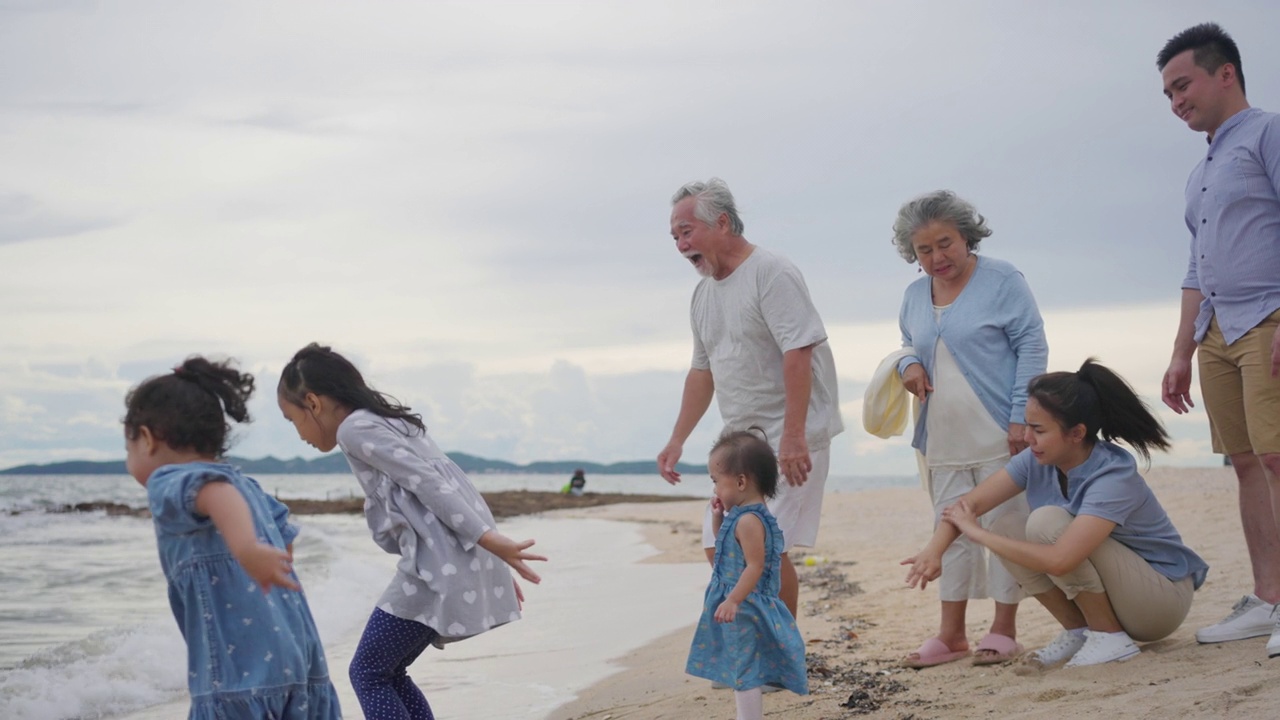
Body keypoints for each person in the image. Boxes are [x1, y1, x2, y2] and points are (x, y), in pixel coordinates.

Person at [278, 343, 546, 720]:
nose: (299, 433)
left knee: (368, 673)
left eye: (292, 419)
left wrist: (487, 543)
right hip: (449, 561)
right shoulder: (389, 421)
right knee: (387, 672)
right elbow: (451, 482)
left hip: (434, 568)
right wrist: (485, 553)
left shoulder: (355, 429)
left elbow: (429, 483)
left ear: (313, 403)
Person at [904, 360, 1210, 668]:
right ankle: (1080, 630)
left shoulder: (1112, 476)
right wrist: (934, 550)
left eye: (1038, 430)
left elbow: (1060, 560)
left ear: (1077, 433)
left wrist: (978, 534)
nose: (1027, 438)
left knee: (1045, 522)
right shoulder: (1036, 460)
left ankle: (1108, 635)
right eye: (1027, 426)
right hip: (1121, 591)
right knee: (1007, 524)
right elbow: (967, 506)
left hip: (1159, 602)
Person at [657, 177, 844, 623]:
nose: (681, 244)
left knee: (761, 540)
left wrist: (795, 437)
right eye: (675, 236)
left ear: (722, 223)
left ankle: (782, 647)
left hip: (790, 431)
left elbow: (798, 353)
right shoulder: (703, 294)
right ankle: (765, 638)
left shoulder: (770, 272)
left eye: (687, 231)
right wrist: (676, 440)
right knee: (716, 542)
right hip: (741, 438)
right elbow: (703, 371)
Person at [123, 356, 341, 719]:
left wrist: (247, 550)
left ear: (146, 439)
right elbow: (283, 526)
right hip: (298, 662)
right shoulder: (248, 486)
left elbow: (213, 492)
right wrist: (267, 569)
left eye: (126, 449)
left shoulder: (170, 480)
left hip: (239, 673)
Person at [1157, 22, 1280, 658]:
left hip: (1268, 318)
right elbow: (1196, 266)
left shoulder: (1267, 132)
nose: (1176, 101)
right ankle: (1268, 599)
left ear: (1225, 72)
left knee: (1279, 457)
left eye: (1183, 85)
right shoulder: (1200, 170)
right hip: (1217, 333)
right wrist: (1181, 351)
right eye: (1168, 93)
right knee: (1245, 464)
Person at [891, 190, 1047, 668]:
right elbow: (905, 344)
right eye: (924, 250)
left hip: (1001, 431)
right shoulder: (914, 295)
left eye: (946, 243)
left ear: (967, 237)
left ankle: (1004, 630)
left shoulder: (1002, 279)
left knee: (1004, 527)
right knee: (949, 531)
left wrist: (1023, 416)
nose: (937, 257)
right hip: (942, 437)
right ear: (911, 254)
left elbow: (1032, 347)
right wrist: (909, 365)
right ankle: (951, 635)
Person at [686, 429, 807, 720]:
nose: (715, 489)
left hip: (745, 607)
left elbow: (754, 565)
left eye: (717, 482)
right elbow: (726, 547)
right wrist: (717, 518)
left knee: (745, 669)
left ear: (741, 482)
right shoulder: (739, 516)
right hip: (739, 602)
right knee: (740, 662)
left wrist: (733, 600)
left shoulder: (751, 521)